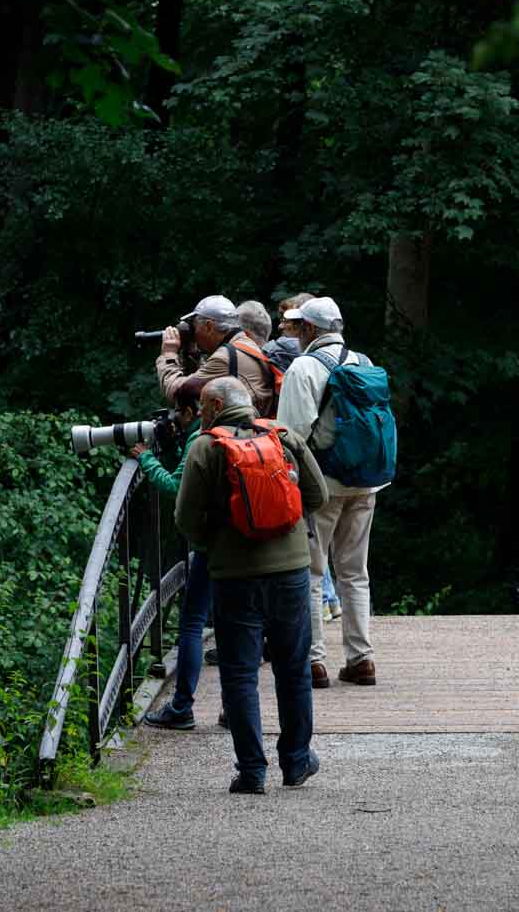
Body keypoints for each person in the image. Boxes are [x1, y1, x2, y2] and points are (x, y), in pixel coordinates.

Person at [175, 377, 328, 794]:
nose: (201, 414)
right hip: (291, 572)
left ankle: (251, 772)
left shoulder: (205, 448)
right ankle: (296, 762)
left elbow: (186, 520)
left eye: (206, 406)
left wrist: (219, 544)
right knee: (293, 669)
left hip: (233, 576)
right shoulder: (283, 435)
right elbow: (318, 495)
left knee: (240, 673)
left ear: (220, 405)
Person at [277, 296, 384, 688]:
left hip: (321, 486)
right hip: (365, 482)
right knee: (356, 572)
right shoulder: (364, 363)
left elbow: (291, 436)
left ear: (309, 330)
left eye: (299, 326)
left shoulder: (303, 367)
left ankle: (313, 661)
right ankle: (361, 658)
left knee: (311, 570)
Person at [134, 376, 211, 731]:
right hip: (253, 548)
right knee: (239, 629)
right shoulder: (248, 428)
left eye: (179, 413)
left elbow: (175, 489)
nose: (176, 420)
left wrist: (147, 460)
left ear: (194, 410)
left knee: (192, 624)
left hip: (212, 548)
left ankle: (181, 708)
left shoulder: (201, 437)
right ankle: (234, 711)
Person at [157, 295, 277, 416]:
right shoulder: (244, 345)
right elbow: (197, 381)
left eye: (194, 326)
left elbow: (178, 392)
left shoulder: (225, 357)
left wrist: (169, 353)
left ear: (209, 326)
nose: (194, 333)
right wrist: (192, 353)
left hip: (241, 432)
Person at [262, 292, 313, 371]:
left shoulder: (276, 350)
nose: (280, 326)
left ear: (306, 325)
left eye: (288, 321)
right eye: (282, 319)